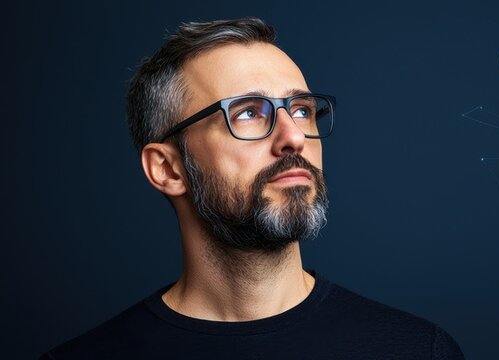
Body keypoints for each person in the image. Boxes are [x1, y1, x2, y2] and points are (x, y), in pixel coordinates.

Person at [40, 18, 463, 359]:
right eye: (247, 113)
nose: (293, 137)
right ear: (168, 169)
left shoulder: (417, 350)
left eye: (302, 109)